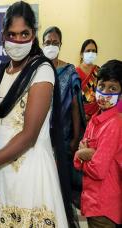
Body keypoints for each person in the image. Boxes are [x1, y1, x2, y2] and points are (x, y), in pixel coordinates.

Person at [0, 1, 74, 227]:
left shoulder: (41, 70)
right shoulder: (1, 72)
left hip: (30, 170)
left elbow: (29, 135)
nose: (19, 40)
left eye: (25, 34)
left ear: (34, 34)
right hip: (1, 167)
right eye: (12, 34)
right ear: (2, 36)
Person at [74, 60, 122, 228]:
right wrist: (87, 155)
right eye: (102, 86)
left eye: (113, 88)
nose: (105, 92)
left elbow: (98, 170)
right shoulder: (95, 119)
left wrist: (83, 154)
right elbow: (78, 164)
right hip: (92, 201)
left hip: (104, 204)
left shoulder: (115, 124)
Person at [42, 26, 86, 208]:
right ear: (42, 44)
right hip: (41, 137)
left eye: (55, 42)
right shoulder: (38, 69)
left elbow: (76, 106)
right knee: (44, 185)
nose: (51, 45)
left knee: (61, 186)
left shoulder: (69, 72)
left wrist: (75, 139)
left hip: (64, 137)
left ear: (60, 45)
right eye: (47, 42)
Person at [76, 39, 100, 121]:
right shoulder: (74, 72)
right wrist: (81, 115)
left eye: (94, 51)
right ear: (82, 54)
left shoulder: (99, 71)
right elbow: (73, 97)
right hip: (79, 116)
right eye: (88, 51)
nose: (91, 53)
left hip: (97, 115)